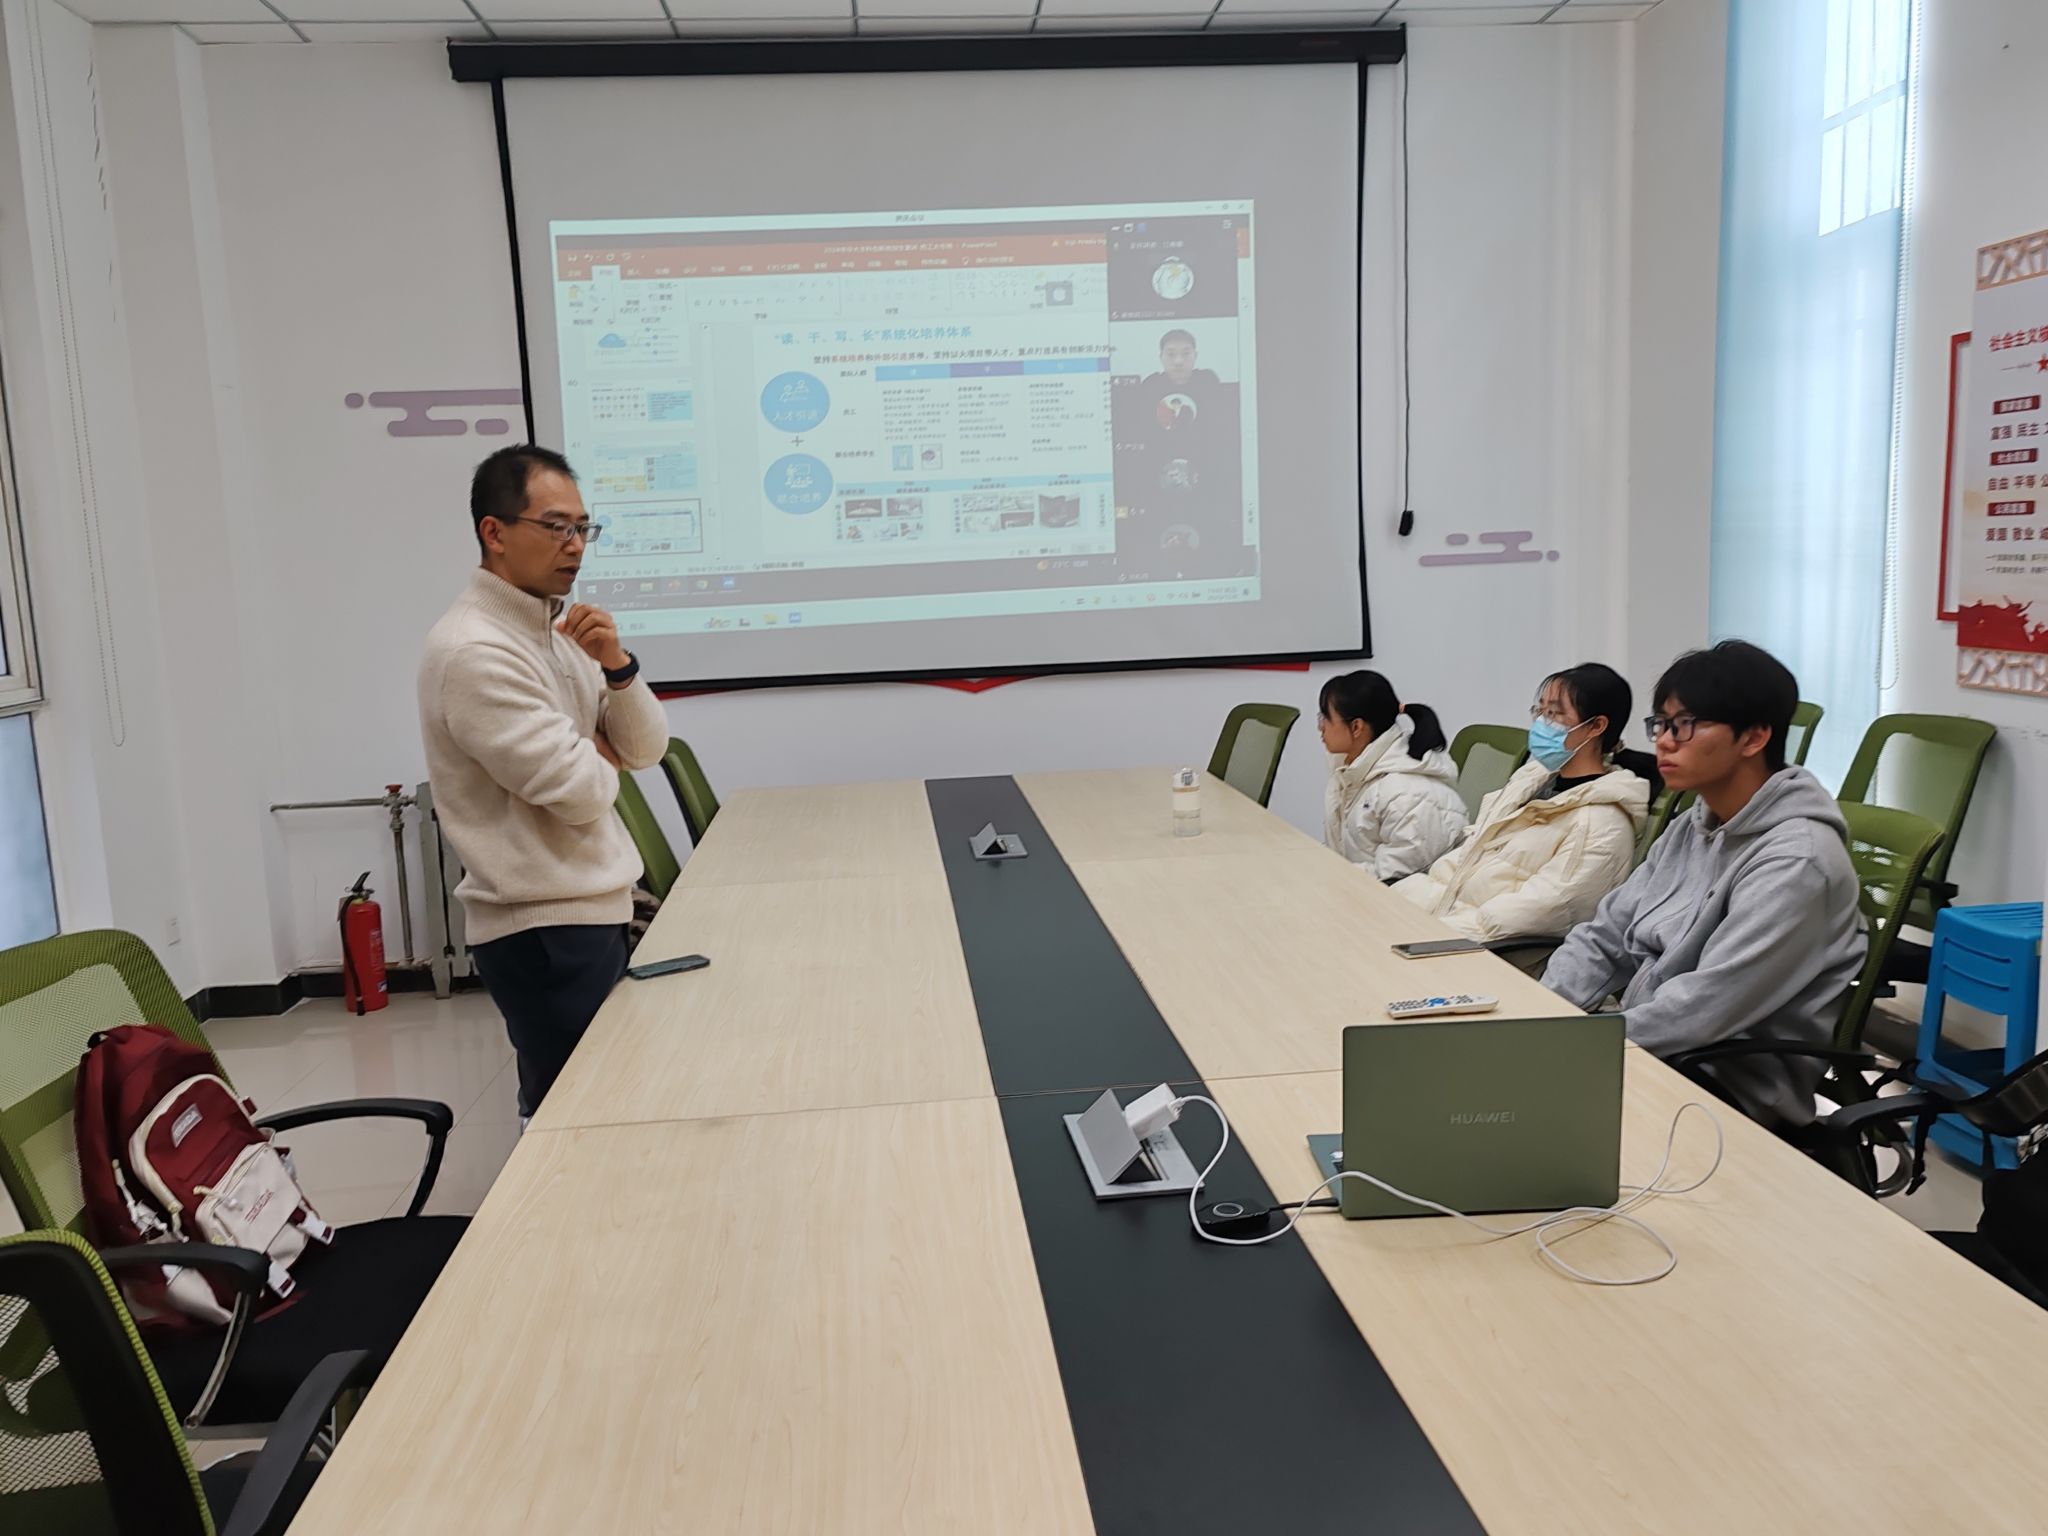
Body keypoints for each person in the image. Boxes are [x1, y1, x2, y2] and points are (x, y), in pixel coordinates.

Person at [418, 445, 669, 1123]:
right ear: (494, 532)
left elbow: (646, 749)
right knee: (575, 1115)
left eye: (583, 527)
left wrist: (617, 666)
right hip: (542, 923)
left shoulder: (557, 633)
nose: (575, 545)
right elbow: (585, 792)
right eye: (556, 527)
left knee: (598, 1101)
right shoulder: (474, 650)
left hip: (588, 906)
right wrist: (598, 752)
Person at [1542, 641, 1864, 1128]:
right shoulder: (1692, 826)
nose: (1664, 742)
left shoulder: (1798, 861)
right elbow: (1605, 936)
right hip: (1649, 1051)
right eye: (1661, 724)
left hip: (1722, 1090)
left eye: (1685, 725)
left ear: (1754, 738)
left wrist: (1573, 1047)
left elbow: (1702, 1010)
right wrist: (1541, 1019)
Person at [1395, 663, 1652, 941]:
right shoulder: (1532, 781)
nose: (1540, 723)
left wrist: (1424, 934)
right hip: (1446, 920)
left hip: (1485, 950)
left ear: (1596, 726)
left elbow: (1539, 910)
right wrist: (1393, 905)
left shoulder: (1601, 824)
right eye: (1539, 711)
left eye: (1553, 714)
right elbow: (1466, 857)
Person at [1317, 671, 1467, 882]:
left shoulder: (1408, 794)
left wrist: (1329, 877)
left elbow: (1396, 881)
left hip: (1395, 898)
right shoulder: (1350, 772)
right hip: (1354, 888)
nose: (1320, 727)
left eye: (1325, 718)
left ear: (1356, 727)